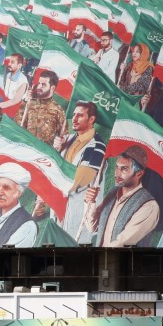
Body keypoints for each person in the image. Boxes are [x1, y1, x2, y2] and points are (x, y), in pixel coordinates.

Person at [83, 146, 160, 247]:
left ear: (139, 174)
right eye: (117, 167)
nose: (117, 173)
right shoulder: (113, 192)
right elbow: (92, 227)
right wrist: (90, 201)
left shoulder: (149, 206)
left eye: (124, 169)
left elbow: (122, 244)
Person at [53, 100, 105, 240]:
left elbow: (79, 182)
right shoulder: (68, 139)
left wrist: (52, 182)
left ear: (91, 119)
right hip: (60, 205)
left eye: (80, 115)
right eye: (74, 114)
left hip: (77, 210)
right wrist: (56, 150)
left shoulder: (97, 147)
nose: (74, 119)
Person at [19, 70, 65, 146]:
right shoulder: (30, 103)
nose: (39, 86)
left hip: (42, 151)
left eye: (43, 85)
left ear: (52, 88)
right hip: (26, 147)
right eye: (39, 83)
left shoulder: (58, 110)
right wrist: (25, 101)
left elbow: (63, 135)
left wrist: (61, 141)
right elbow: (18, 123)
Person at [0, 53, 28, 120]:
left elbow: (15, 100)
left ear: (19, 65)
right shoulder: (8, 75)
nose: (9, 64)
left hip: (14, 111)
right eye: (9, 61)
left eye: (12, 62)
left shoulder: (22, 80)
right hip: (6, 107)